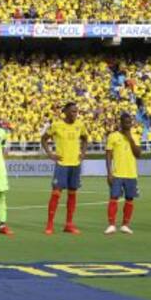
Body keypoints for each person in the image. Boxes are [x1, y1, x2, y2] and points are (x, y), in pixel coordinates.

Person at [42, 101, 87, 235]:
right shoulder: (56, 125)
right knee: (56, 194)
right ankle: (50, 224)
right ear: (65, 112)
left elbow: (85, 139)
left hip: (75, 164)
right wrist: (50, 154)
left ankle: (69, 224)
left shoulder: (80, 125)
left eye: (76, 111)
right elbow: (44, 139)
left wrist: (83, 153)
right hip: (62, 164)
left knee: (72, 194)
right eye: (73, 111)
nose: (75, 114)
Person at [104, 112, 140, 234]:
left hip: (131, 174)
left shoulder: (135, 136)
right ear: (121, 123)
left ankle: (125, 224)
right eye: (126, 122)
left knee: (129, 199)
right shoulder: (113, 136)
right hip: (117, 173)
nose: (128, 125)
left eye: (130, 122)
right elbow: (108, 155)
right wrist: (109, 173)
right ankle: (111, 225)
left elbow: (138, 154)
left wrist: (130, 139)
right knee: (113, 197)